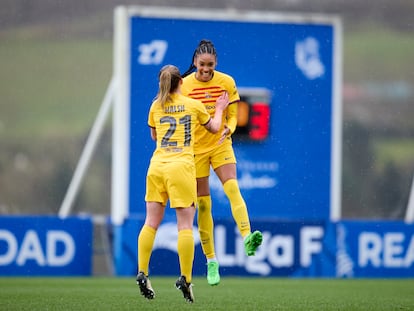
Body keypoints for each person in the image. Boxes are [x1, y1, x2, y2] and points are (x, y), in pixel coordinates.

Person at [136, 64, 229, 303]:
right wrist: (220, 108)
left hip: (157, 166)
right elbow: (215, 127)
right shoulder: (192, 104)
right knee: (185, 225)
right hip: (181, 167)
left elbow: (155, 135)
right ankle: (185, 278)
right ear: (181, 83)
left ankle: (143, 272)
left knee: (150, 222)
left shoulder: (155, 106)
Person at [181, 39, 263, 286]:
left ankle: (247, 236)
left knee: (232, 188)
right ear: (195, 61)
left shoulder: (226, 82)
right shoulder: (184, 86)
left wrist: (230, 128)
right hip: (195, 151)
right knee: (203, 207)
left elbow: (234, 115)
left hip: (220, 144)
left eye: (210, 65)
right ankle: (211, 261)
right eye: (202, 65)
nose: (206, 70)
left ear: (216, 63)